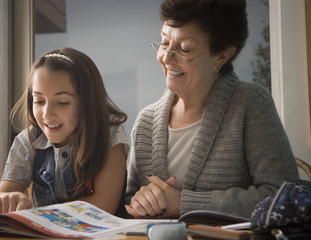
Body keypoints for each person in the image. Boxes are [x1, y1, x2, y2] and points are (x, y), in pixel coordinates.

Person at [125, 0, 299, 219]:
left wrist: (184, 203)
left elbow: (284, 197)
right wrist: (141, 202)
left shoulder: (251, 105)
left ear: (221, 56)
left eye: (184, 48)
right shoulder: (145, 121)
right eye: (164, 42)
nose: (166, 57)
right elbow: (128, 203)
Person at [0, 48, 129, 216]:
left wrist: (37, 213)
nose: (47, 114)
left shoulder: (110, 137)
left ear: (87, 103)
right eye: (39, 101)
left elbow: (104, 206)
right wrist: (7, 200)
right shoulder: (28, 141)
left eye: (62, 102)